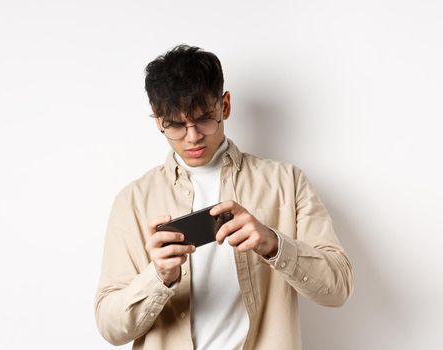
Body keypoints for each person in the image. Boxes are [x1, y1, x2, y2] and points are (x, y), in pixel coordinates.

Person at [94, 44, 354, 350]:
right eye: (176, 125)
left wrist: (273, 244)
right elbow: (110, 328)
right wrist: (159, 277)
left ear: (225, 106)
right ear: (157, 120)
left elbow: (338, 288)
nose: (192, 136)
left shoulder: (287, 182)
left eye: (204, 118)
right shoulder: (133, 201)